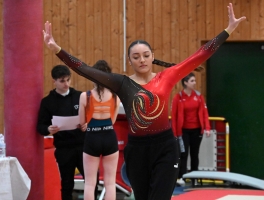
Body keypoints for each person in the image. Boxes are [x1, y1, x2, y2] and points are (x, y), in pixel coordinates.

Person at [43, 3, 245, 200]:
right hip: (137, 149)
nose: (142, 60)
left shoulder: (167, 76)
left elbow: (200, 55)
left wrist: (228, 30)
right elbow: (85, 69)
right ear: (129, 61)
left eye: (146, 55)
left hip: (165, 146)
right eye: (136, 57)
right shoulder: (122, 83)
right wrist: (57, 49)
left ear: (152, 57)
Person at [36, 65, 98, 200]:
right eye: (62, 81)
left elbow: (93, 117)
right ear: (54, 81)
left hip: (83, 146)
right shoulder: (47, 102)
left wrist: (87, 124)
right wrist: (48, 129)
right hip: (64, 148)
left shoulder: (80, 96)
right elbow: (40, 126)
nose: (66, 84)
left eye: (68, 80)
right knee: (67, 183)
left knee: (93, 180)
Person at [80, 60, 120, 200]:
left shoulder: (85, 96)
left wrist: (88, 123)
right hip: (109, 136)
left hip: (92, 137)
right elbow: (113, 120)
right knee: (110, 182)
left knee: (90, 183)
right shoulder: (115, 96)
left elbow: (82, 122)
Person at [171, 72, 211, 186]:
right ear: (185, 83)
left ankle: (195, 177)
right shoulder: (178, 98)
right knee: (183, 153)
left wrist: (207, 128)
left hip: (197, 130)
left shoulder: (198, 96)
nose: (195, 83)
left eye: (195, 81)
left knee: (195, 154)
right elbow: (174, 116)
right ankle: (181, 176)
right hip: (183, 131)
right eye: (192, 81)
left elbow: (204, 113)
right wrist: (174, 132)